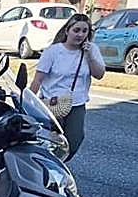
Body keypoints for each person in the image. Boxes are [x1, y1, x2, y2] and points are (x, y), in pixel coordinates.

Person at [29, 12, 105, 160]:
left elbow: (99, 74)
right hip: (51, 103)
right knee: (49, 141)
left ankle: (57, 164)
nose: (80, 35)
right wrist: (30, 102)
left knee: (73, 142)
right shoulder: (53, 51)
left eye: (84, 31)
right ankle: (44, 166)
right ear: (67, 31)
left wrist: (89, 55)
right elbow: (38, 80)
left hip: (76, 103)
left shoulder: (92, 50)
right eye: (76, 30)